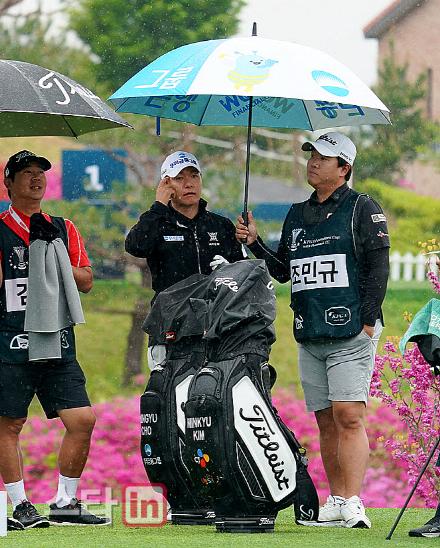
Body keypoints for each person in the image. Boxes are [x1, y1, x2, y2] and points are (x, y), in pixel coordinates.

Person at [235, 132, 390, 528]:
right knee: (325, 420)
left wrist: (369, 322)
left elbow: (379, 268)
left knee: (349, 415)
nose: (313, 163)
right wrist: (255, 243)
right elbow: (283, 270)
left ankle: (354, 502)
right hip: (309, 331)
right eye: (312, 156)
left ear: (345, 168)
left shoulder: (362, 208)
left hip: (352, 330)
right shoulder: (296, 213)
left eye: (324, 158)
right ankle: (337, 500)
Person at [0, 150, 109, 529]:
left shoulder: (63, 227)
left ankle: (66, 501)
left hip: (56, 337)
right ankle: (20, 506)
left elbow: (85, 281)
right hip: (9, 338)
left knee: (83, 419)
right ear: (9, 183)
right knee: (12, 423)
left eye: (41, 174)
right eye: (27, 173)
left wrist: (55, 257)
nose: (36, 179)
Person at [125, 150, 247, 363]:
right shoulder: (157, 223)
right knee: (171, 396)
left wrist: (237, 263)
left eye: (193, 176)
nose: (188, 184)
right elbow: (135, 246)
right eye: (179, 178)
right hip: (170, 329)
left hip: (217, 330)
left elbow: (244, 276)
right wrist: (158, 207)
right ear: (166, 185)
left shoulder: (221, 226)